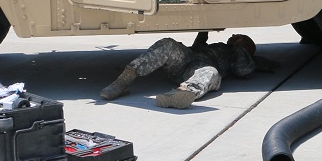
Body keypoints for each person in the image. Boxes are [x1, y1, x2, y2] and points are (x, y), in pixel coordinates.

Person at [100, 31, 276, 109]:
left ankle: (181, 93)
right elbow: (198, 46)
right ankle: (124, 79)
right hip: (187, 58)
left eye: (239, 37)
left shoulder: (241, 57)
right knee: (168, 44)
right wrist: (204, 30)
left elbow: (242, 70)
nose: (233, 36)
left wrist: (240, 49)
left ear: (245, 46)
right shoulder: (221, 46)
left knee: (211, 73)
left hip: (199, 69)